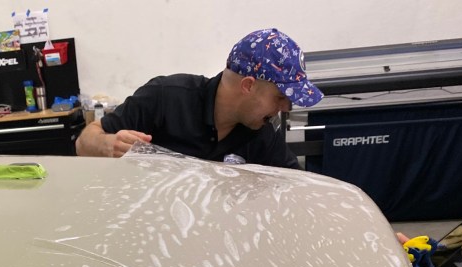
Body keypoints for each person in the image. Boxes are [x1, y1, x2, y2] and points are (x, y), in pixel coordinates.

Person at [75, 28, 322, 168]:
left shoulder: (262, 133)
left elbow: (294, 186)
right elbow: (84, 142)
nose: (286, 107)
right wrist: (109, 145)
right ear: (248, 86)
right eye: (280, 97)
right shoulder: (164, 97)